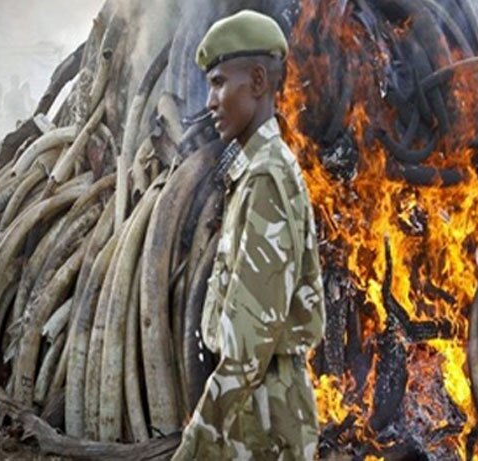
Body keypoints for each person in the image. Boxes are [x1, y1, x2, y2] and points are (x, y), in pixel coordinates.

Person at [172, 9, 325, 461]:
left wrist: (197, 441)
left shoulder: (266, 179)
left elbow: (246, 345)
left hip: (262, 416)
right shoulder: (256, 170)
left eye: (219, 82)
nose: (209, 101)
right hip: (254, 405)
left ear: (257, 81)